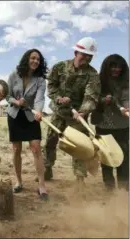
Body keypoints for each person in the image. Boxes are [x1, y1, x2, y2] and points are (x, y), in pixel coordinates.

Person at [44, 37, 101, 187]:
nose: (87, 58)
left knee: (80, 146)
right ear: (76, 52)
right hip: (58, 112)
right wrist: (58, 98)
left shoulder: (92, 74)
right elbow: (51, 85)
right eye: (84, 55)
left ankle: (80, 178)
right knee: (50, 140)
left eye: (90, 56)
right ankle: (47, 168)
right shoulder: (59, 67)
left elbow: (91, 96)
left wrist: (83, 111)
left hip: (77, 116)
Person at [6, 48, 48, 200]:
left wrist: (38, 111)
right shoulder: (13, 74)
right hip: (14, 115)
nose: (35, 61)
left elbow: (40, 98)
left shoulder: (41, 80)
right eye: (33, 58)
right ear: (27, 59)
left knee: (36, 148)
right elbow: (6, 94)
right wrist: (16, 102)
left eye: (38, 59)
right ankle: (19, 182)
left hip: (31, 117)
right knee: (16, 149)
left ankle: (42, 186)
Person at [91, 54, 129, 191]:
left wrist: (126, 108)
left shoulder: (126, 81)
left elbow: (126, 98)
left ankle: (124, 188)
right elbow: (93, 98)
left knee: (124, 157)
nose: (116, 69)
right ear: (107, 67)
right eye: (113, 66)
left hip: (122, 125)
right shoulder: (98, 81)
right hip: (103, 125)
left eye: (119, 67)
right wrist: (103, 101)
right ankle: (109, 188)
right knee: (106, 157)